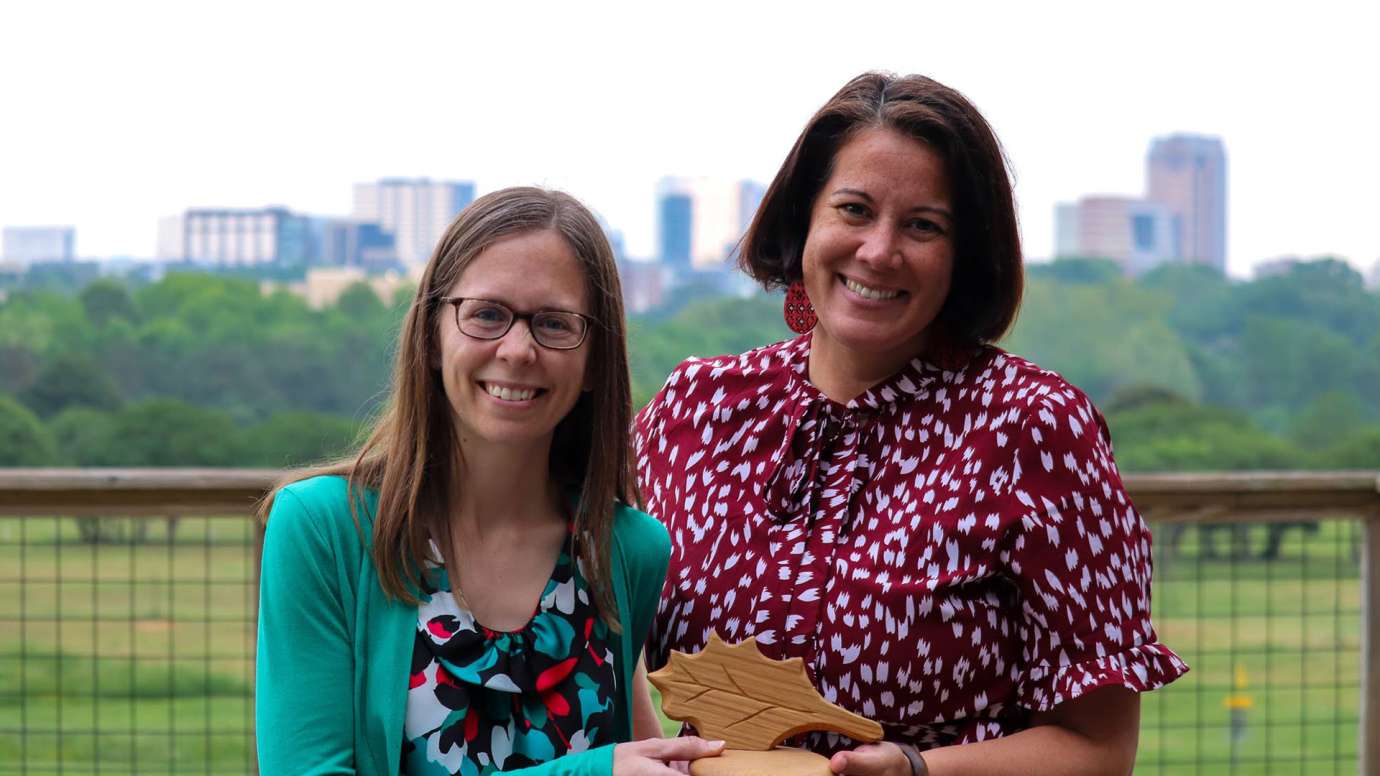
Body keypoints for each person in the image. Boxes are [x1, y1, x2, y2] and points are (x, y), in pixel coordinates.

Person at [634, 74, 1187, 775]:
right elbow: (603, 615)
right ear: (805, 217)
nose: (879, 250)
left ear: (965, 255)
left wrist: (922, 770)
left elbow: (1100, 750)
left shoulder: (1036, 431)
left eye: (923, 226)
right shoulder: (697, 408)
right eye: (854, 210)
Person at [256, 187, 723, 775]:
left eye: (555, 323)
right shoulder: (326, 530)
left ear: (595, 361)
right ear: (430, 333)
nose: (518, 350)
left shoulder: (626, 550)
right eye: (487, 314)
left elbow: (638, 754)